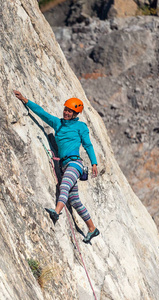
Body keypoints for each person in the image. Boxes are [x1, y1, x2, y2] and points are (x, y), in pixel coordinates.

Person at [13, 90, 100, 243]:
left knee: (64, 184)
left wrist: (94, 163)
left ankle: (57, 212)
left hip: (75, 164)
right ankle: (92, 228)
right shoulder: (58, 123)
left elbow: (88, 145)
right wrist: (25, 100)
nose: (66, 112)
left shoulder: (81, 126)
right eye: (66, 109)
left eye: (70, 111)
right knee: (74, 201)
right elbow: (42, 113)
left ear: (75, 114)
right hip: (65, 165)